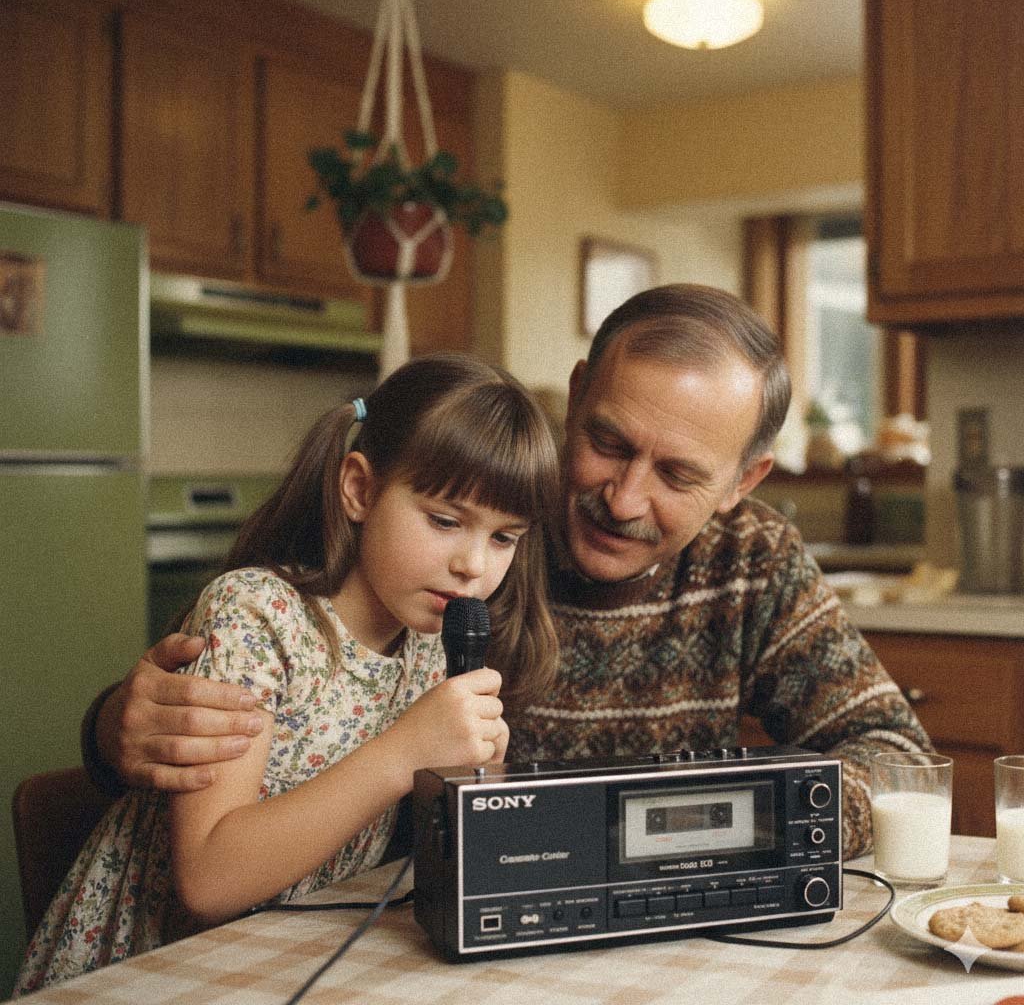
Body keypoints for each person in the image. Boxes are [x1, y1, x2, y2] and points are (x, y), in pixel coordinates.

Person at [79, 284, 930, 866]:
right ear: (578, 392)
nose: (622, 498)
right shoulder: (452, 526)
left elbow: (898, 756)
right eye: (606, 442)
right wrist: (114, 728)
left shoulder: (754, 558)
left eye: (677, 476)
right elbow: (287, 676)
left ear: (744, 482)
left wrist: (726, 820)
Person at [15, 353, 559, 995]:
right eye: (445, 520)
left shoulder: (428, 647)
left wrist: (474, 779)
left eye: (504, 538)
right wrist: (403, 753)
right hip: (150, 970)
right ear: (359, 489)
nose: (474, 565)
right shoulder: (257, 617)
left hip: (282, 960)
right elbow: (208, 883)